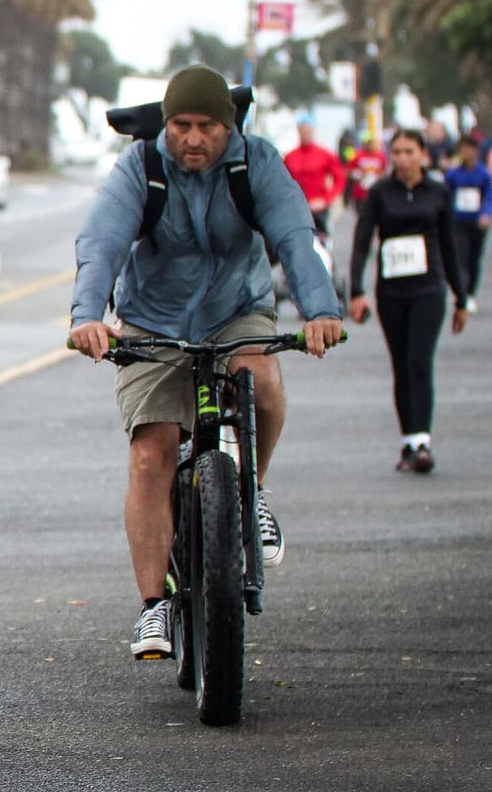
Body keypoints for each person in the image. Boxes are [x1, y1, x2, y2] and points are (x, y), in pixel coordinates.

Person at [71, 66, 345, 661]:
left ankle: (254, 490)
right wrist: (87, 313)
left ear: (230, 125)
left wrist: (320, 309)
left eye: (207, 127)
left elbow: (296, 237)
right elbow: (102, 243)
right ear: (165, 125)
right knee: (152, 455)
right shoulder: (141, 167)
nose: (193, 139)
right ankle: (154, 608)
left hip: (236, 309)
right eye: (181, 126)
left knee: (263, 381)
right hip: (153, 320)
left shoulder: (257, 163)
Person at [348, 128, 468, 472]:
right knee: (401, 364)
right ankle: (408, 441)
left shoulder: (439, 192)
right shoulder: (379, 194)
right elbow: (361, 243)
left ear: (423, 155)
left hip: (429, 289)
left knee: (420, 361)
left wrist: (462, 298)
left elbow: (449, 245)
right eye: (396, 152)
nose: (402, 158)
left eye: (409, 151)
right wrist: (356, 291)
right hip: (391, 292)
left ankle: (423, 443)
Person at [445, 133, 492, 310]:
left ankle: (471, 293)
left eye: (468, 149)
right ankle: (462, 292)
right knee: (461, 257)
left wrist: (486, 214)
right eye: (462, 149)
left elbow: (490, 196)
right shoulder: (453, 174)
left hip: (477, 222)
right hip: (458, 222)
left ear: (475, 151)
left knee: (474, 259)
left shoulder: (484, 174)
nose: (464, 152)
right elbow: (446, 195)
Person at [284, 118, 348, 238]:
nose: (305, 134)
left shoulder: (324, 154)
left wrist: (326, 200)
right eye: (303, 131)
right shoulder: (290, 157)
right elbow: (282, 183)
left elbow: (340, 178)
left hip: (318, 211)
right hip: (296, 210)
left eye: (308, 131)